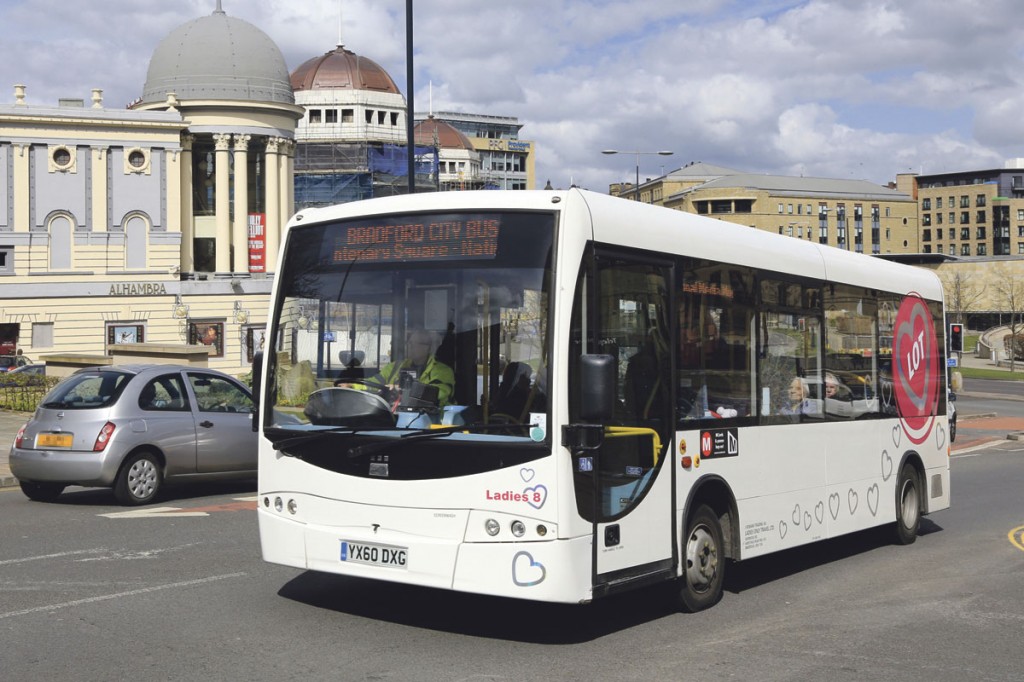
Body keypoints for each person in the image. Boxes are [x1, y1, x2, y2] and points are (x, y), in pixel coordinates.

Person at [353, 328, 454, 408]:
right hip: (394, 418)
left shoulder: (442, 371)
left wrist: (403, 391)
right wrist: (353, 386)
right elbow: (373, 383)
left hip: (430, 422)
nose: (408, 346)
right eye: (408, 343)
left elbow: (439, 394)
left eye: (412, 344)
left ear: (426, 347)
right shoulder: (395, 367)